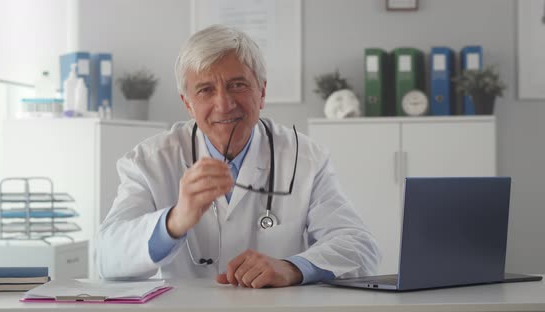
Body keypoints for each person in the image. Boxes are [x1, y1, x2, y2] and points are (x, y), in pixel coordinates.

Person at [97, 24, 380, 288]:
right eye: (206, 90)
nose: (224, 104)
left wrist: (293, 267)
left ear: (262, 92)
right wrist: (174, 221)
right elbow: (107, 257)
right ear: (188, 104)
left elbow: (359, 245)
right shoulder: (149, 161)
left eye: (238, 85)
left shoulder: (304, 156)